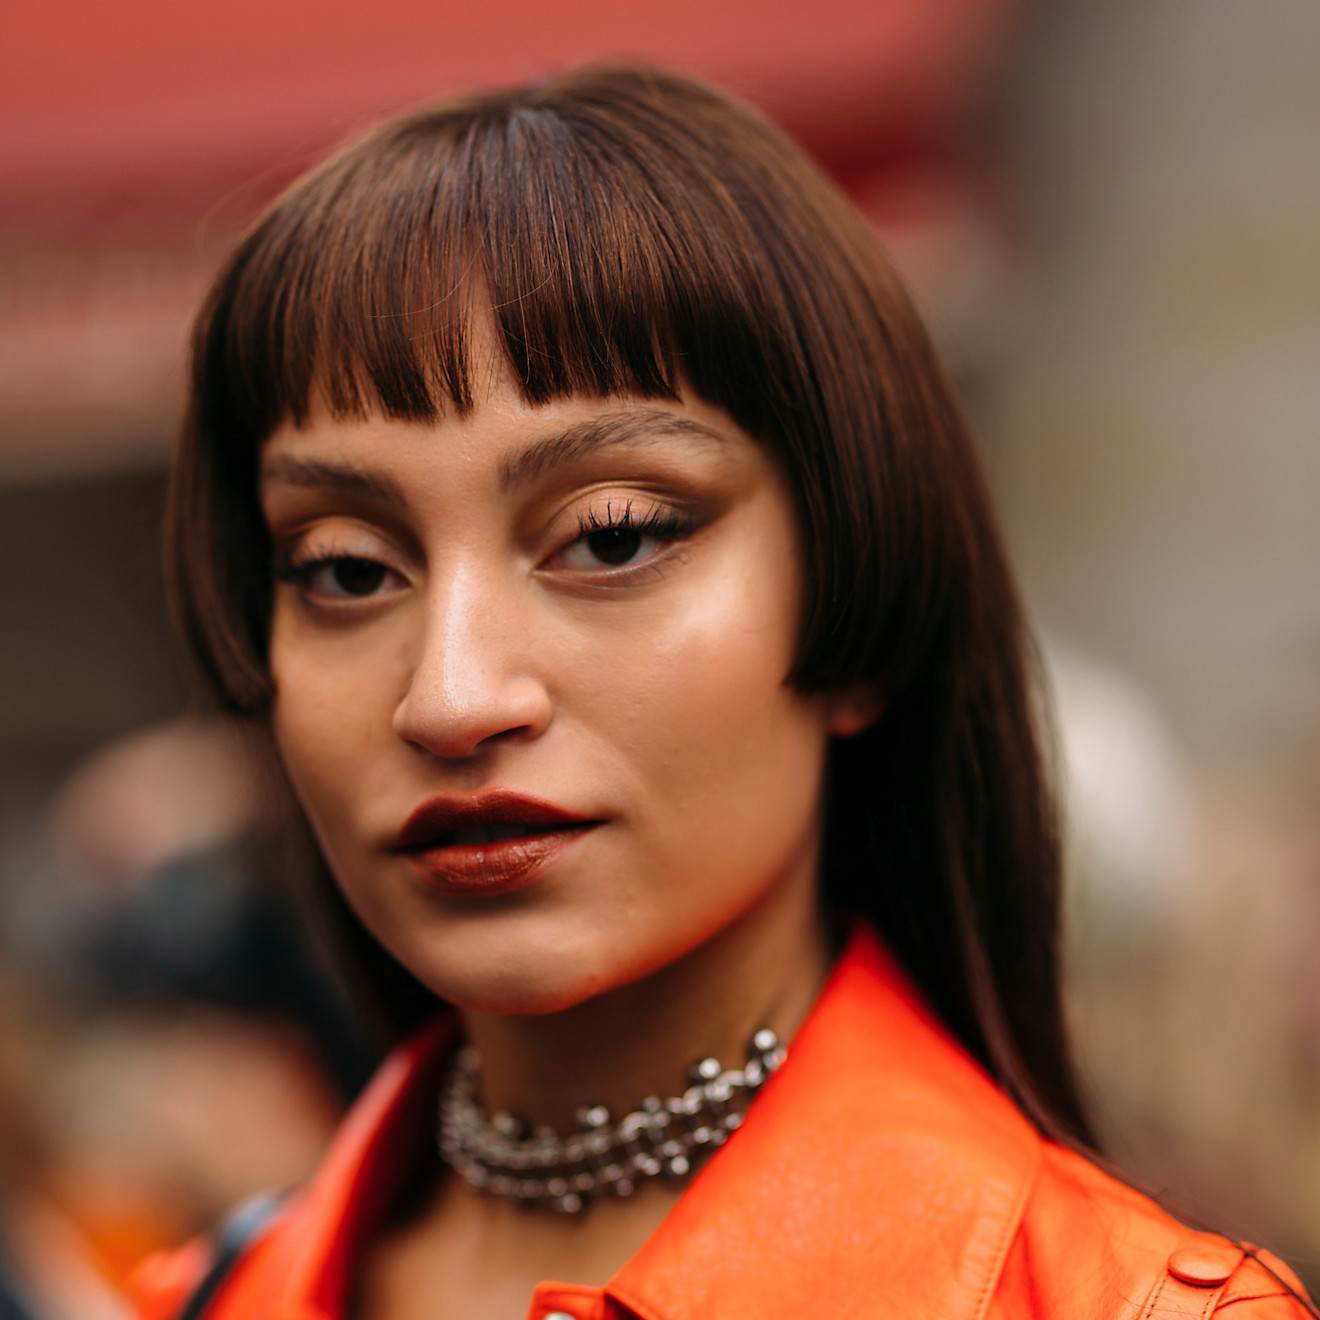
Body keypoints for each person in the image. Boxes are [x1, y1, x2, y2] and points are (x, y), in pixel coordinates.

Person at [131, 64, 1312, 1320]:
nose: (452, 695)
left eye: (615, 537)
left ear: (859, 605)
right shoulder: (211, 1295)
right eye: (347, 569)